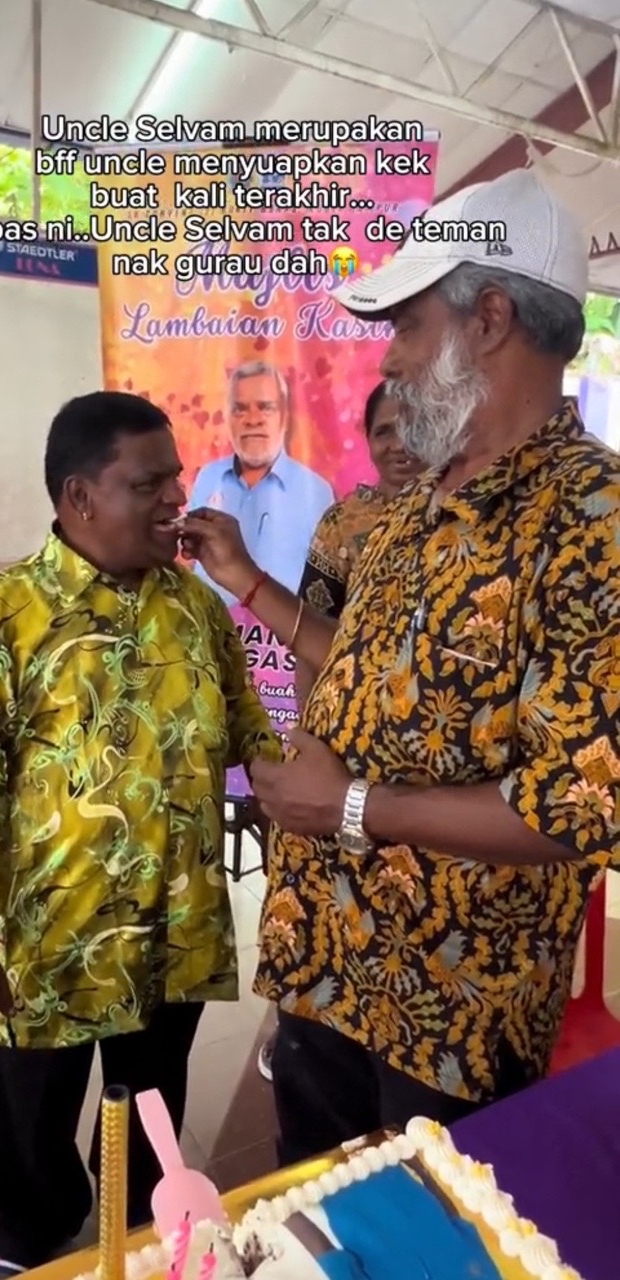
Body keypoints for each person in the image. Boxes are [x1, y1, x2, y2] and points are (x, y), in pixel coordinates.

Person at [182, 168, 620, 1165]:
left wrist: (348, 808)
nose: (390, 355)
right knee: (314, 1225)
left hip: (446, 1015)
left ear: (492, 319)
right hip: (321, 966)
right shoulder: (409, 512)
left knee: (427, 1243)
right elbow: (364, 669)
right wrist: (248, 582)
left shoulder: (595, 524)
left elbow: (585, 808)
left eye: (408, 326)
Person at [0, 391, 281, 1280]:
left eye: (177, 480)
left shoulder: (193, 607)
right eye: (147, 483)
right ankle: (33, 1232)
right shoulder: (6, 616)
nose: (175, 501)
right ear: (80, 497)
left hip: (173, 926)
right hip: (49, 936)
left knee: (153, 1094)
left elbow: (248, 730)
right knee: (29, 1104)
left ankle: (144, 1221)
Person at [256, 381, 422, 1082]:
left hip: (416, 769)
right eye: (383, 430)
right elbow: (310, 638)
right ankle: (305, 1025)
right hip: (337, 747)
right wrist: (309, 735)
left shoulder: (461, 520)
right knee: (322, 909)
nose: (397, 443)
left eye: (411, 427)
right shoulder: (343, 524)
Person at [188, 360, 334, 603]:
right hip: (212, 633)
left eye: (265, 407)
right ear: (228, 418)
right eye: (240, 409)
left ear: (284, 417)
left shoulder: (315, 490)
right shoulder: (207, 477)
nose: (252, 419)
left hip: (282, 639)